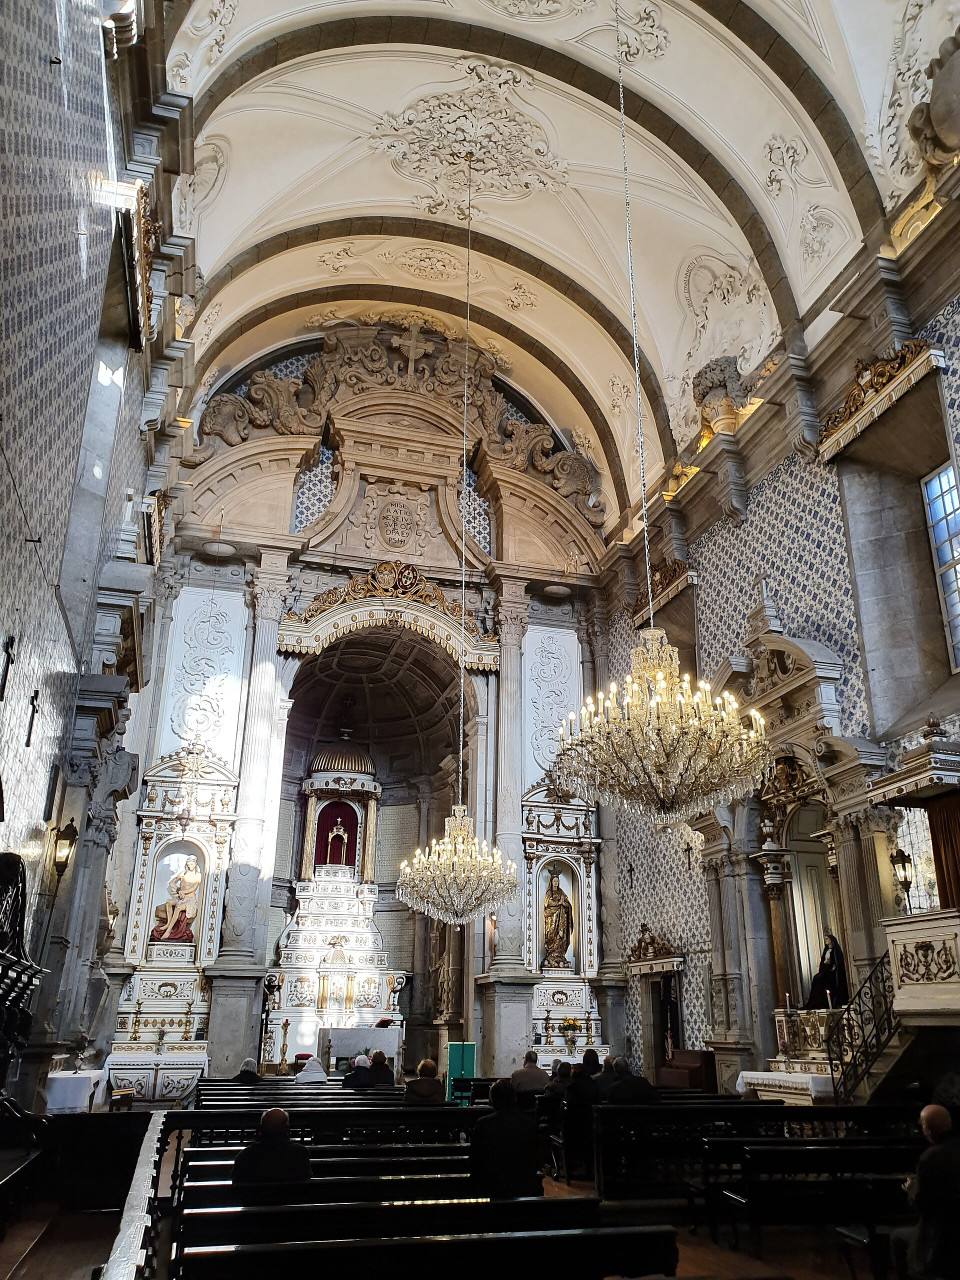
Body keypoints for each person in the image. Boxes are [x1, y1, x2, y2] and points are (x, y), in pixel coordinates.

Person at [893, 1104, 960, 1280]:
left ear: (927, 1129)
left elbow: (921, 1205)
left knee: (897, 1237)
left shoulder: (931, 1157)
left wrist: (911, 1189)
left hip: (941, 1235)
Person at [469, 1079, 543, 1198]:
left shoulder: (483, 1124)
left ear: (492, 1100)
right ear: (514, 1099)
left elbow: (475, 1160)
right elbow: (536, 1158)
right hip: (524, 1184)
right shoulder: (529, 1123)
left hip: (492, 1184)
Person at [232, 1108, 312, 1184]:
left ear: (261, 1128)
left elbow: (237, 1185)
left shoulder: (245, 1156)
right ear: (286, 1128)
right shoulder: (300, 1153)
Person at [563, 1062, 601, 1176]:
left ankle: (569, 1168)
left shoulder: (571, 1088)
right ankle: (590, 1168)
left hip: (573, 1129)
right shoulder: (595, 1087)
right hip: (591, 1127)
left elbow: (564, 1111)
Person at [804, 931, 849, 1009]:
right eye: (825, 939)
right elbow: (822, 963)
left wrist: (833, 966)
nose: (826, 940)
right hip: (825, 970)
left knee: (821, 978)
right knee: (816, 978)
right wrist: (824, 963)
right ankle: (816, 1001)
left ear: (831, 940)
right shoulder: (826, 951)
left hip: (833, 972)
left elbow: (838, 962)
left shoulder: (835, 951)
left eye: (827, 939)